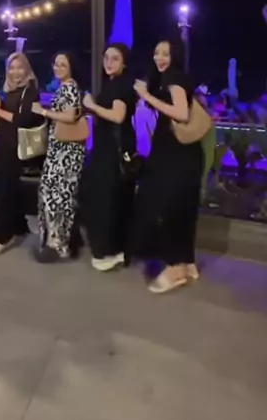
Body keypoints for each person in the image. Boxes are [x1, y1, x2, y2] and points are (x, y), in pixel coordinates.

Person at [132, 39, 204, 294]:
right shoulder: (171, 78)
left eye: (166, 53)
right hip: (179, 153)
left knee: (164, 205)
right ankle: (186, 262)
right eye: (156, 53)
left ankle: (175, 268)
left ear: (176, 56)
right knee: (181, 205)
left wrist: (146, 95)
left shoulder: (174, 78)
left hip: (176, 155)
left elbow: (181, 113)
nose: (159, 58)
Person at [82, 42, 138, 272]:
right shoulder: (115, 84)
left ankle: (107, 251)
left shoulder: (120, 86)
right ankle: (116, 249)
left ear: (124, 63)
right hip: (110, 148)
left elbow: (117, 116)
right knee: (114, 199)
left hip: (111, 152)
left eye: (115, 58)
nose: (108, 62)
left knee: (106, 199)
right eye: (106, 57)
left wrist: (91, 105)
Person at [0, 52, 41, 256]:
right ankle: (18, 225)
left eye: (19, 67)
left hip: (16, 147)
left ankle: (2, 234)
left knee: (4, 191)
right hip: (4, 145)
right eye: (12, 67)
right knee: (9, 187)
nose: (15, 72)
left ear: (27, 69)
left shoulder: (30, 90)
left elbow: (23, 119)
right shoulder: (9, 91)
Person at [31, 51, 86, 263]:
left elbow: (70, 116)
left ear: (71, 68)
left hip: (66, 152)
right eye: (56, 64)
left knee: (56, 196)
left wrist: (43, 112)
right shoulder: (66, 86)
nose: (57, 68)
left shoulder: (70, 87)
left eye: (63, 65)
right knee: (58, 195)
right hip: (61, 150)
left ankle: (58, 244)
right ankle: (61, 241)